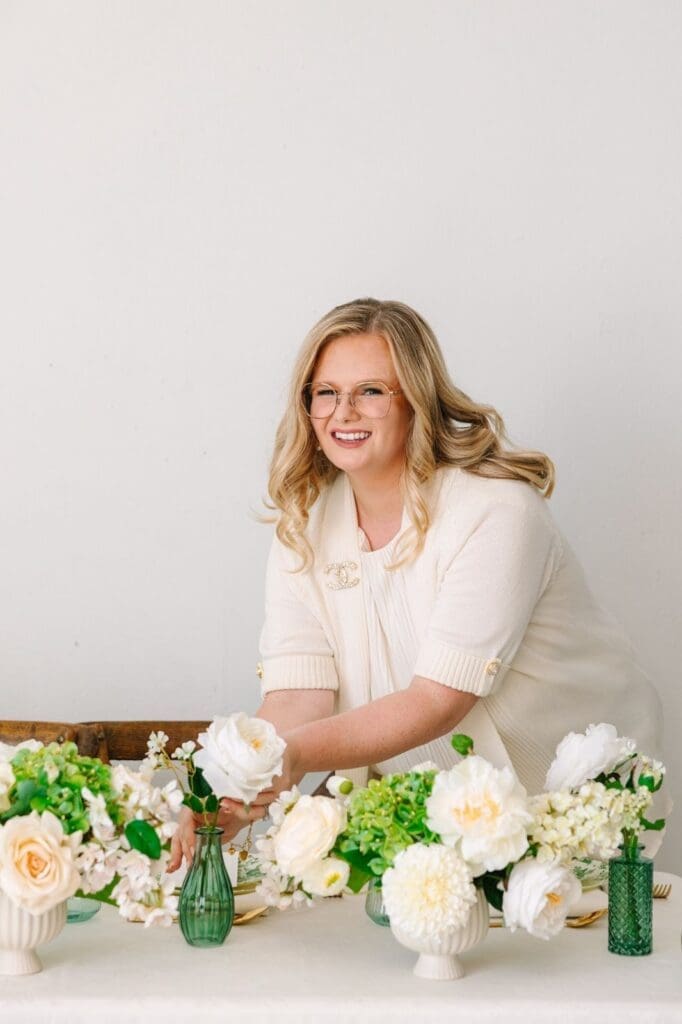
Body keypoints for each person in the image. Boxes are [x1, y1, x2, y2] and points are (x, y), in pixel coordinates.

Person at [169, 297, 663, 869]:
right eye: (325, 392)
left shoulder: (495, 511)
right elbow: (298, 695)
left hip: (574, 799)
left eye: (371, 391)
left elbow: (437, 701)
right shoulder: (302, 528)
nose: (343, 412)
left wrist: (294, 755)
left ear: (417, 402)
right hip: (439, 822)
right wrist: (237, 783)